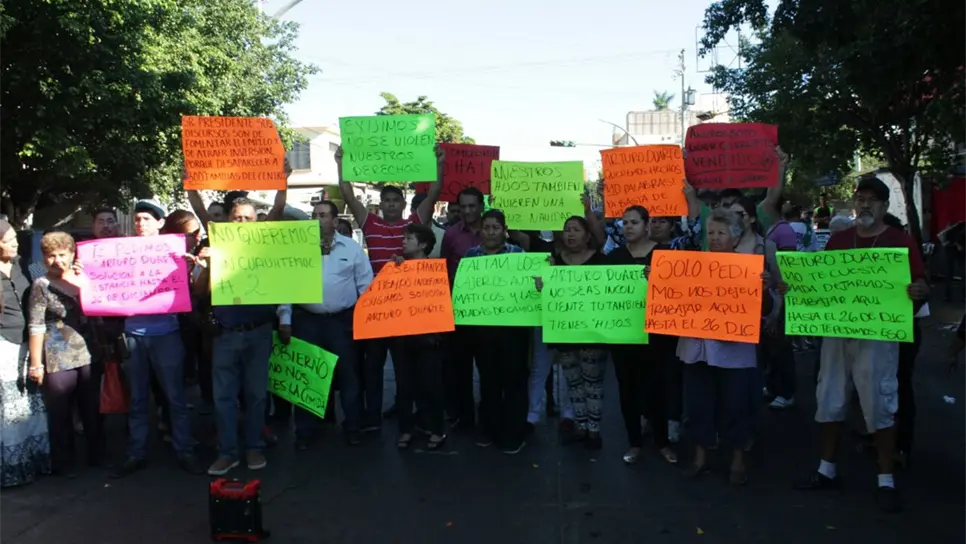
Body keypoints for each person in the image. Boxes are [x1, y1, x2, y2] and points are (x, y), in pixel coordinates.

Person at [794, 177, 929, 513]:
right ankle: (826, 469)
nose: (865, 204)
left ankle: (886, 478)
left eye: (872, 200)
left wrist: (919, 290)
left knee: (879, 402)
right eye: (860, 198)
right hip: (837, 334)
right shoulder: (839, 240)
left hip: (878, 337)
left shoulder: (900, 241)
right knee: (829, 397)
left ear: (884, 207)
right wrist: (793, 288)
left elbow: (920, 284)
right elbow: (819, 285)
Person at [336, 146, 444, 432]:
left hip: (406, 311)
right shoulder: (369, 223)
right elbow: (347, 194)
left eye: (396, 200)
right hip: (376, 309)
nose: (392, 205)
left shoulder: (414, 224)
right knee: (372, 366)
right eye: (387, 201)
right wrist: (340, 163)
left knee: (404, 367)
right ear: (380, 204)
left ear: (404, 203)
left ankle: (405, 410)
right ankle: (372, 416)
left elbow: (434, 193)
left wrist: (438, 164)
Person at [112, 200, 201, 477]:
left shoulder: (174, 252)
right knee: (137, 398)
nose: (141, 224)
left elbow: (192, 289)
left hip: (166, 334)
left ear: (161, 223)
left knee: (175, 397)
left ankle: (184, 450)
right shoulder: (120, 251)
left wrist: (191, 269)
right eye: (138, 219)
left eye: (147, 219)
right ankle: (136, 453)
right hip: (133, 334)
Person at [679, 208, 768, 485]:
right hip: (696, 350)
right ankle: (700, 458)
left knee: (736, 405)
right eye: (711, 233)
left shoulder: (750, 268)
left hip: (734, 353)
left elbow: (766, 311)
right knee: (698, 404)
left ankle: (737, 462)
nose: (715, 238)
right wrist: (656, 280)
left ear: (736, 236)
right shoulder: (691, 266)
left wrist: (764, 291)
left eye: (721, 233)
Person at [281, 200, 372, 450]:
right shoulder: (298, 250)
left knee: (349, 377)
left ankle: (353, 427)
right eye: (314, 215)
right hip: (306, 321)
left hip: (342, 322)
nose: (318, 219)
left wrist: (362, 320)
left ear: (334, 220)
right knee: (307, 377)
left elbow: (365, 287)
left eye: (323, 215)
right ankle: (305, 432)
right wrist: (285, 319)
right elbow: (286, 286)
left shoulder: (352, 249)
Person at [27, 231, 102, 478]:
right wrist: (36, 364)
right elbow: (36, 325)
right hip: (58, 354)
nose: (57, 260)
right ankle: (64, 462)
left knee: (91, 407)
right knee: (60, 411)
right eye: (50, 256)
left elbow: (102, 307)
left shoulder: (85, 278)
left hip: (90, 351)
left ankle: (96, 455)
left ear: (72, 254)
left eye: (62, 254)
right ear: (43, 258)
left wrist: (84, 282)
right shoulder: (41, 284)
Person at [606, 206, 678, 465]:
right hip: (623, 336)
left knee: (657, 389)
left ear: (647, 225)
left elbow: (679, 293)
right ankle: (634, 442)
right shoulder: (614, 257)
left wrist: (660, 281)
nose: (628, 227)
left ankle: (662, 442)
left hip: (656, 336)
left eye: (634, 222)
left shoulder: (666, 256)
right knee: (628, 390)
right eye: (624, 223)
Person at [536, 216, 609, 449]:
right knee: (573, 382)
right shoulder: (554, 263)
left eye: (576, 230)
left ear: (587, 236)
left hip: (592, 333)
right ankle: (580, 426)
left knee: (592, 381)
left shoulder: (601, 262)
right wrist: (542, 286)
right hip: (565, 332)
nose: (570, 234)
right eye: (567, 230)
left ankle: (594, 430)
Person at [463, 210, 530, 454]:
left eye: (495, 227)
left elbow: (531, 286)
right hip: (483, 331)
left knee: (513, 382)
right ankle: (489, 428)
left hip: (513, 331)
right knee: (488, 381)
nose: (491, 232)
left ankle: (514, 433)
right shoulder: (471, 256)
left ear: (504, 229)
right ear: (481, 229)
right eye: (487, 227)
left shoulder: (518, 254)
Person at [0, 221, 51, 486]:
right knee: (8, 407)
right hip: (3, 346)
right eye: (8, 241)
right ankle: (10, 469)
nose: (14, 245)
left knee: (30, 401)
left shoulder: (27, 264)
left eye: (14, 240)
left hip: (28, 342)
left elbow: (49, 281)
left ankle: (34, 461)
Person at [390, 223, 447, 451]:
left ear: (423, 244)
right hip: (402, 337)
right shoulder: (395, 268)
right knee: (404, 386)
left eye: (409, 238)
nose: (403, 241)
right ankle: (406, 429)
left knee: (430, 385)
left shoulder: (435, 271)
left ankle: (435, 428)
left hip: (428, 339)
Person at [440, 186, 486, 429]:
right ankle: (464, 416)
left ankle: (488, 414)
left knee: (489, 367)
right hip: (459, 312)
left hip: (491, 314)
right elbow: (444, 268)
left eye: (472, 206)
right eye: (464, 206)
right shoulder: (451, 235)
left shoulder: (493, 231)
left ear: (481, 206)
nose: (467, 211)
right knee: (460, 368)